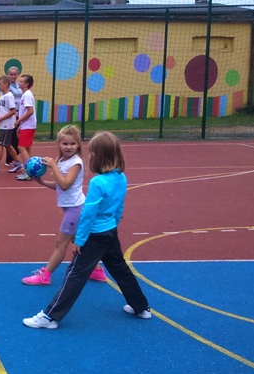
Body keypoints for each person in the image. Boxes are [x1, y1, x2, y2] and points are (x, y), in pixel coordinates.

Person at [23, 131, 152, 329]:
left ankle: (50, 317)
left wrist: (79, 241)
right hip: (110, 232)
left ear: (100, 156)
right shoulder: (121, 177)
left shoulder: (97, 182)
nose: (90, 156)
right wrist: (114, 223)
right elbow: (119, 206)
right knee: (120, 269)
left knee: (75, 274)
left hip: (95, 235)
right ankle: (141, 307)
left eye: (92, 153)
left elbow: (88, 214)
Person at [21, 124, 107, 285]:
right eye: (65, 143)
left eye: (72, 144)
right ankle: (96, 271)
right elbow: (59, 185)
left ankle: (45, 275)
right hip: (71, 208)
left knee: (60, 244)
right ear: (59, 144)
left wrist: (54, 166)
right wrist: (42, 182)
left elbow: (65, 184)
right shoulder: (62, 161)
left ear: (78, 145)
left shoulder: (76, 163)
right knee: (78, 242)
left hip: (75, 209)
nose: (68, 147)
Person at [14, 75, 37, 181]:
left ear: (26, 84)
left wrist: (19, 121)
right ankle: (29, 171)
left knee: (21, 147)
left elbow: (30, 111)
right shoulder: (26, 94)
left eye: (21, 81)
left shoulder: (27, 95)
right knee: (26, 147)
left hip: (29, 125)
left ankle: (29, 171)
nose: (19, 83)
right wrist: (21, 125)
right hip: (27, 125)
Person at [4, 67, 23, 169]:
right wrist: (12, 112)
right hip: (12, 114)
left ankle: (14, 156)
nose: (13, 76)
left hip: (21, 114)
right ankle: (9, 160)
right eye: (11, 74)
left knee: (19, 137)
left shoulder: (19, 85)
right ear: (8, 75)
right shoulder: (6, 86)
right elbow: (4, 101)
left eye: (15, 74)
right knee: (12, 138)